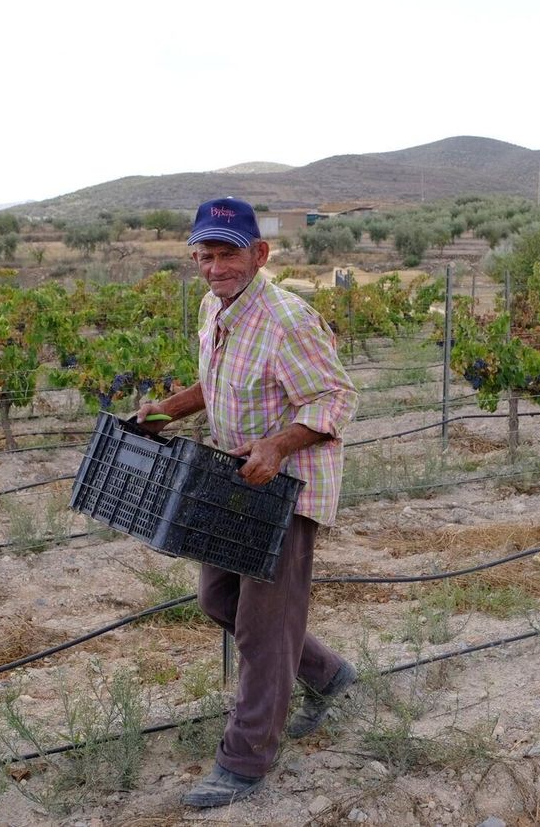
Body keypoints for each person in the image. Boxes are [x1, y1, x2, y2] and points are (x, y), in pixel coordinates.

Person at [135, 196, 359, 808]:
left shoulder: (290, 319)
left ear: (259, 254)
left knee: (263, 627)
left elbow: (335, 401)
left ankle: (245, 760)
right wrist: (165, 410)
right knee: (217, 598)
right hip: (233, 482)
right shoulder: (215, 307)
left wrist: (280, 446)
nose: (213, 267)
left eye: (226, 254)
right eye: (203, 255)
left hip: (286, 488)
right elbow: (215, 385)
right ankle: (331, 677)